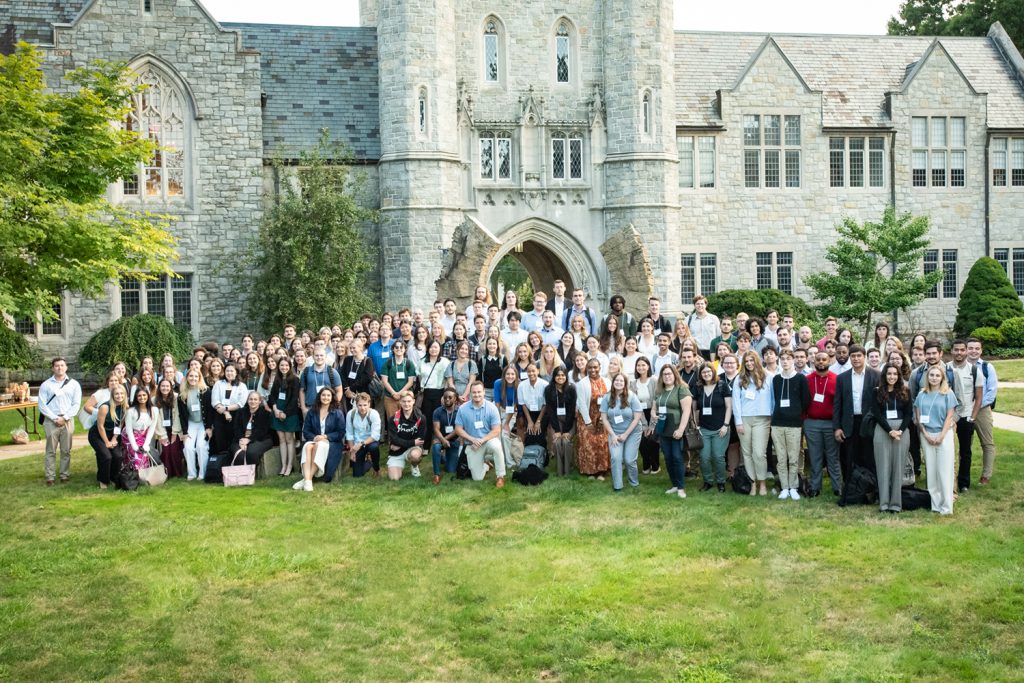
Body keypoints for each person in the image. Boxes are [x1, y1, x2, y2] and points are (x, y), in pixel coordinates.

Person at [833, 344, 880, 502]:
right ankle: (851, 491)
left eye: (859, 356)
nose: (856, 359)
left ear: (864, 357)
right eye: (853, 356)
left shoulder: (876, 375)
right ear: (849, 358)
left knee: (869, 457)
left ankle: (872, 491)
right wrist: (837, 427)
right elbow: (837, 404)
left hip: (869, 423)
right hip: (849, 423)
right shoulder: (842, 378)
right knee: (850, 458)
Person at [914, 366, 958, 515]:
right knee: (931, 471)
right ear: (927, 377)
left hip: (944, 435)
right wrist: (925, 434)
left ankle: (946, 507)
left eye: (937, 375)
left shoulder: (948, 394)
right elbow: (919, 418)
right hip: (927, 435)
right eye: (931, 375)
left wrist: (941, 435)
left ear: (942, 378)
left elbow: (949, 417)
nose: (934, 378)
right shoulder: (921, 394)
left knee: (944, 471)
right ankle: (936, 505)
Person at [869, 363, 912, 513]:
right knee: (883, 467)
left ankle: (895, 504)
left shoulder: (906, 391)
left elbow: (909, 414)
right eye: (889, 374)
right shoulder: (876, 392)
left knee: (898, 468)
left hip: (901, 431)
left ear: (899, 376)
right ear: (884, 376)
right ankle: (884, 503)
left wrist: (899, 430)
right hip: (883, 430)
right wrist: (889, 431)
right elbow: (876, 413)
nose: (892, 376)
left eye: (895, 374)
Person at [771, 350, 810, 500]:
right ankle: (784, 487)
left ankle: (793, 486)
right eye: (783, 359)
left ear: (793, 360)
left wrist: (796, 413)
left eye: (788, 359)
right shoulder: (776, 379)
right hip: (777, 423)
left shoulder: (801, 378)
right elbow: (775, 398)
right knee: (781, 458)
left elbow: (805, 400)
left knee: (793, 457)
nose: (785, 361)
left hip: (794, 423)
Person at [733, 351, 773, 496]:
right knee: (747, 453)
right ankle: (752, 483)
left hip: (762, 419)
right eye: (747, 361)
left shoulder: (768, 377)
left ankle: (762, 483)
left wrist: (773, 417)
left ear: (757, 361)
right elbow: (736, 402)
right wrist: (738, 422)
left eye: (752, 360)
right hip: (744, 419)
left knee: (758, 452)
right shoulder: (739, 379)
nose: (749, 363)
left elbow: (773, 399)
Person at [37, 357, 83, 485]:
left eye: (62, 365)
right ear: (52, 368)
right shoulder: (46, 385)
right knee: (50, 450)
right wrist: (54, 418)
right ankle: (50, 477)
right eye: (57, 366)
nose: (59, 368)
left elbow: (76, 404)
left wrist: (65, 418)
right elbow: (42, 405)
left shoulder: (74, 384)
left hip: (67, 420)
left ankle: (64, 475)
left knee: (66, 450)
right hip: (51, 420)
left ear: (66, 367)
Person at [946, 338, 984, 493]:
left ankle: (964, 483)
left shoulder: (974, 370)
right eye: (956, 350)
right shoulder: (945, 368)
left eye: (962, 350)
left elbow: (979, 396)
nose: (959, 353)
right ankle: (948, 480)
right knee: (948, 449)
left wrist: (973, 417)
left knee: (965, 451)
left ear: (966, 351)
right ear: (951, 351)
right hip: (949, 416)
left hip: (965, 416)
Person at [454, 381, 506, 486]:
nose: (477, 395)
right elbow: (458, 429)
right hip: (472, 444)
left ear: (483, 392)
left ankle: (500, 476)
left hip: (488, 440)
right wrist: (472, 439)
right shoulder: (463, 409)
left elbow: (496, 430)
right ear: (470, 394)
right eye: (474, 392)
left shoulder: (492, 407)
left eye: (479, 392)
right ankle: (486, 465)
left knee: (496, 446)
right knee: (477, 478)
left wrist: (483, 439)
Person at [294, 387, 346, 491]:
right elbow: (306, 431)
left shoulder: (337, 412)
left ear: (332, 398)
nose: (325, 397)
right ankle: (308, 480)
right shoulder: (312, 412)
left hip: (332, 442)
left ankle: (307, 479)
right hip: (315, 440)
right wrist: (315, 438)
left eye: (328, 395)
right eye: (323, 395)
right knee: (307, 446)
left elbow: (341, 433)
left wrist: (326, 437)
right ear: (319, 396)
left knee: (320, 445)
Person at [805, 351, 841, 497]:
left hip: (831, 423)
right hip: (811, 423)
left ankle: (837, 487)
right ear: (814, 361)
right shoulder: (807, 379)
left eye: (824, 359)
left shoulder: (837, 379)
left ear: (829, 362)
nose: (821, 362)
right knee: (815, 456)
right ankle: (815, 486)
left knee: (833, 457)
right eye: (818, 359)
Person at [600, 372, 644, 491]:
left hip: (632, 432)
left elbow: (637, 417)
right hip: (614, 432)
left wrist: (625, 434)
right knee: (616, 458)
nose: (618, 383)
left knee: (629, 460)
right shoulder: (607, 397)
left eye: (621, 381)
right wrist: (613, 435)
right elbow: (604, 418)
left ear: (625, 383)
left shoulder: (632, 396)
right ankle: (618, 486)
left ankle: (633, 482)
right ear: (613, 382)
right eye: (616, 380)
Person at [654, 365, 693, 498]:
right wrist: (654, 415)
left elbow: (687, 411)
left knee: (677, 457)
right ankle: (674, 485)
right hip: (663, 428)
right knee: (668, 457)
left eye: (669, 374)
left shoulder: (682, 389)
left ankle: (681, 487)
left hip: (676, 428)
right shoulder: (660, 390)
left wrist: (681, 429)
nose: (667, 376)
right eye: (664, 374)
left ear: (675, 374)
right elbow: (654, 407)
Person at [695, 363, 731, 492]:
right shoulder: (698, 387)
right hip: (703, 428)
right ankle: (708, 481)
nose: (706, 374)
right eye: (703, 372)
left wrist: (725, 425)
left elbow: (729, 407)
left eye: (708, 372)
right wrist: (696, 425)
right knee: (704, 457)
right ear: (700, 374)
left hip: (720, 428)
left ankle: (721, 481)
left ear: (713, 372)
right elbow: (694, 408)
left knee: (718, 456)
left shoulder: (722, 386)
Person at [966, 337, 998, 485]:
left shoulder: (987, 367)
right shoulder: (960, 366)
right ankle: (962, 476)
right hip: (964, 409)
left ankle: (986, 475)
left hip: (982, 410)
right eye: (971, 348)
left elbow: (992, 392)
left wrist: (977, 405)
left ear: (981, 350)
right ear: (966, 349)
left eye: (977, 348)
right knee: (965, 444)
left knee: (987, 443)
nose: (974, 351)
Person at [575, 358, 612, 480]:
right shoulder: (582, 384)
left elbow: (609, 401)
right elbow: (581, 404)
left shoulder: (607, 382)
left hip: (603, 417)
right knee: (588, 443)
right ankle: (590, 471)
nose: (593, 370)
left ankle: (601, 471)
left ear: (600, 367)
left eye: (595, 367)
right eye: (590, 367)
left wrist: (602, 418)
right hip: (586, 417)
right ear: (587, 369)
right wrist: (588, 422)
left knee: (601, 442)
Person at [88, 384, 128, 489]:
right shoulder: (105, 407)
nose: (119, 396)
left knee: (118, 456)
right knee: (106, 456)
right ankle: (103, 480)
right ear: (112, 395)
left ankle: (113, 477)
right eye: (117, 394)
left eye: (121, 393)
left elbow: (119, 425)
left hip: (112, 435)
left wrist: (114, 439)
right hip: (97, 435)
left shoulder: (125, 408)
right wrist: (107, 442)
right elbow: (100, 426)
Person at [270, 356, 301, 476]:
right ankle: (283, 466)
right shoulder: (277, 379)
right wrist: (275, 409)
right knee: (281, 440)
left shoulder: (295, 380)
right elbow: (272, 396)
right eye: (282, 365)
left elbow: (294, 399)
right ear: (279, 366)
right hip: (277, 412)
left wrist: (285, 413)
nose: (284, 367)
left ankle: (289, 466)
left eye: (286, 365)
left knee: (289, 440)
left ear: (290, 366)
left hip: (289, 414)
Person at [544, 366, 576, 476]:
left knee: (566, 441)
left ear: (566, 376)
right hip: (555, 420)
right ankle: (559, 470)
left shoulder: (571, 389)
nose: (560, 377)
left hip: (569, 420)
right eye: (558, 375)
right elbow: (550, 411)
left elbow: (572, 411)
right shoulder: (548, 390)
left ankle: (567, 470)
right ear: (554, 377)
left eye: (563, 375)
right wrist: (557, 430)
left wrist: (566, 430)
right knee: (557, 442)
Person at [229, 390, 274, 468]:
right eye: (251, 399)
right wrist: (242, 440)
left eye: (255, 399)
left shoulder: (265, 413)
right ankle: (240, 475)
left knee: (251, 453)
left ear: (260, 401)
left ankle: (251, 474)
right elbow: (236, 428)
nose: (253, 401)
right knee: (240, 454)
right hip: (240, 439)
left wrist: (249, 440)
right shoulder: (240, 412)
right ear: (247, 400)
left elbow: (262, 431)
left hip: (261, 439)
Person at [631, 356, 660, 475]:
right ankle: (646, 463)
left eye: (643, 365)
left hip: (654, 413)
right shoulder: (632, 383)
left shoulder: (654, 380)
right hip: (639, 415)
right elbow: (634, 404)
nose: (641, 367)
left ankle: (655, 465)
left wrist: (652, 425)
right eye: (638, 365)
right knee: (642, 440)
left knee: (652, 440)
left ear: (648, 366)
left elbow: (657, 400)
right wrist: (644, 425)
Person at [210, 363, 247, 455]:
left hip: (236, 416)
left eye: (232, 371)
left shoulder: (242, 386)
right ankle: (222, 462)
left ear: (236, 372)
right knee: (220, 441)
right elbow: (215, 401)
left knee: (233, 440)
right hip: (220, 416)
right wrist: (226, 412)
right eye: (227, 370)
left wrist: (226, 408)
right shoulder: (218, 384)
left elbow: (240, 403)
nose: (229, 373)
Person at [153, 378, 185, 478]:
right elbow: (156, 419)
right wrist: (163, 435)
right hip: (162, 431)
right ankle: (167, 473)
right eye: (163, 386)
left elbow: (178, 416)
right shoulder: (154, 400)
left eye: (167, 386)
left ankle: (177, 473)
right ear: (159, 387)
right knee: (166, 450)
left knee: (174, 450)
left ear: (171, 387)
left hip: (175, 430)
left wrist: (175, 433)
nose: (165, 388)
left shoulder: (176, 398)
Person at [346, 392, 382, 478]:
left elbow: (375, 435)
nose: (362, 408)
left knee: (374, 448)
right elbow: (349, 433)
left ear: (369, 404)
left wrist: (361, 444)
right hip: (356, 444)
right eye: (360, 405)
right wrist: (352, 451)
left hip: (370, 441)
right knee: (357, 475)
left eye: (365, 405)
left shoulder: (374, 414)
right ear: (356, 404)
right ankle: (368, 463)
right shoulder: (351, 414)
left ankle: (376, 468)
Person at [122, 387, 157, 474]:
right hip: (129, 437)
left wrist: (146, 444)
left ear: (148, 396)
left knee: (144, 453)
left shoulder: (154, 410)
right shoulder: (131, 411)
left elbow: (152, 428)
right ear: (136, 397)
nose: (142, 398)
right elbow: (129, 429)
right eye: (139, 396)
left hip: (144, 436)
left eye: (144, 395)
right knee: (136, 454)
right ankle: (132, 475)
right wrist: (134, 446)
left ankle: (143, 475)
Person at [429, 389, 461, 484]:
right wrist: (442, 440)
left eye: (450, 397)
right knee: (436, 446)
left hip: (454, 440)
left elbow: (458, 430)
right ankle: (436, 475)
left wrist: (445, 440)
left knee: (451, 470)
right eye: (445, 397)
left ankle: (442, 458)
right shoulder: (437, 411)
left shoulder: (460, 411)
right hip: (440, 439)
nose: (447, 399)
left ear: (455, 399)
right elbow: (436, 429)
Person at [686, 294, 720, 360]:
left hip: (711, 352)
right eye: (697, 304)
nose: (700, 306)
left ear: (706, 305)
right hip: (695, 352)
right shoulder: (688, 319)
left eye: (702, 304)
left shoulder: (713, 318)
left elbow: (718, 335)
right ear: (694, 305)